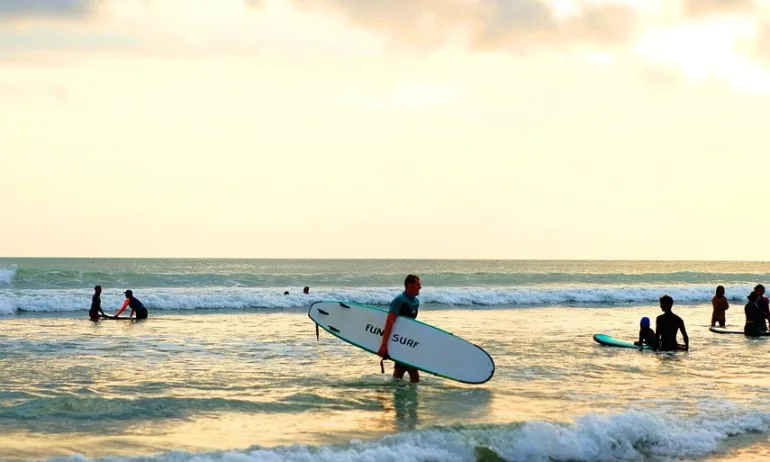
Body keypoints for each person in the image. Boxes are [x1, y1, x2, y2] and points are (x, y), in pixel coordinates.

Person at [377, 274, 421, 383]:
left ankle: (394, 394)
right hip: (400, 342)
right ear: (409, 285)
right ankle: (408, 396)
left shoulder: (416, 301)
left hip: (407, 342)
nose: (420, 287)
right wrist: (384, 345)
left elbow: (410, 325)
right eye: (417, 284)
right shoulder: (399, 300)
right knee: (413, 375)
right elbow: (389, 322)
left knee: (400, 373)